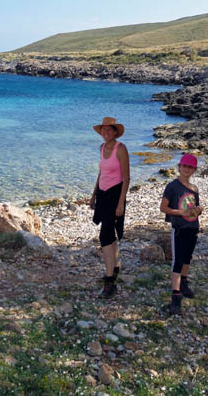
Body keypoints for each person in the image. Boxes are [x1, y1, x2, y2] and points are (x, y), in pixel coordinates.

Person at [89, 117, 130, 299]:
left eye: (109, 130)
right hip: (102, 194)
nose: (105, 133)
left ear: (115, 132)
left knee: (105, 235)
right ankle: (115, 267)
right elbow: (102, 172)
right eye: (103, 130)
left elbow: (127, 178)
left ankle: (109, 280)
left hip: (115, 194)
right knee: (109, 232)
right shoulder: (102, 148)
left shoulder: (121, 149)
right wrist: (93, 195)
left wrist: (121, 202)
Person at [159, 153, 203, 315]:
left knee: (187, 258)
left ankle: (183, 283)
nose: (186, 169)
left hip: (192, 227)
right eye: (184, 166)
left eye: (190, 167)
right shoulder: (172, 186)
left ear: (194, 170)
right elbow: (163, 208)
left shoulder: (194, 189)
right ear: (179, 167)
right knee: (177, 261)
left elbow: (196, 208)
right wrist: (180, 212)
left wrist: (199, 210)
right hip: (179, 228)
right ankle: (175, 297)